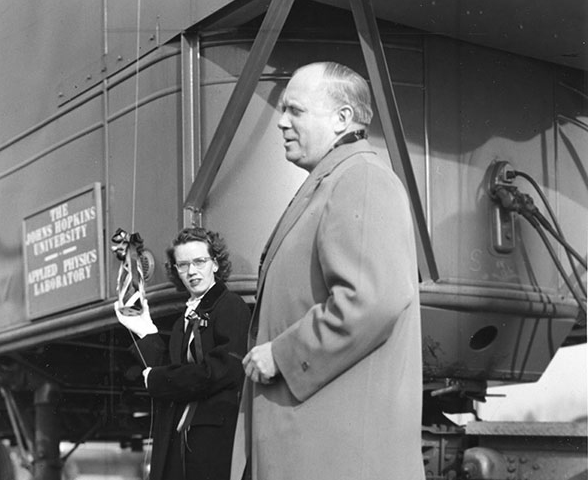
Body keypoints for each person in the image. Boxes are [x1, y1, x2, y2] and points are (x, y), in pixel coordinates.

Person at [231, 62, 425, 480]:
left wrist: (282, 355)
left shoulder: (363, 179)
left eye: (295, 110)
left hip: (334, 457)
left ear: (342, 119)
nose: (280, 122)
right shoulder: (337, 180)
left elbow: (372, 299)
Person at [115, 227, 251, 480]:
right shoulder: (183, 320)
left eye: (199, 261)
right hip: (184, 445)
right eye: (183, 265)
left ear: (216, 264)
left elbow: (222, 371)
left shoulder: (231, 307)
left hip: (211, 446)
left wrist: (155, 379)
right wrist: (146, 330)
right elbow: (175, 372)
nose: (191, 271)